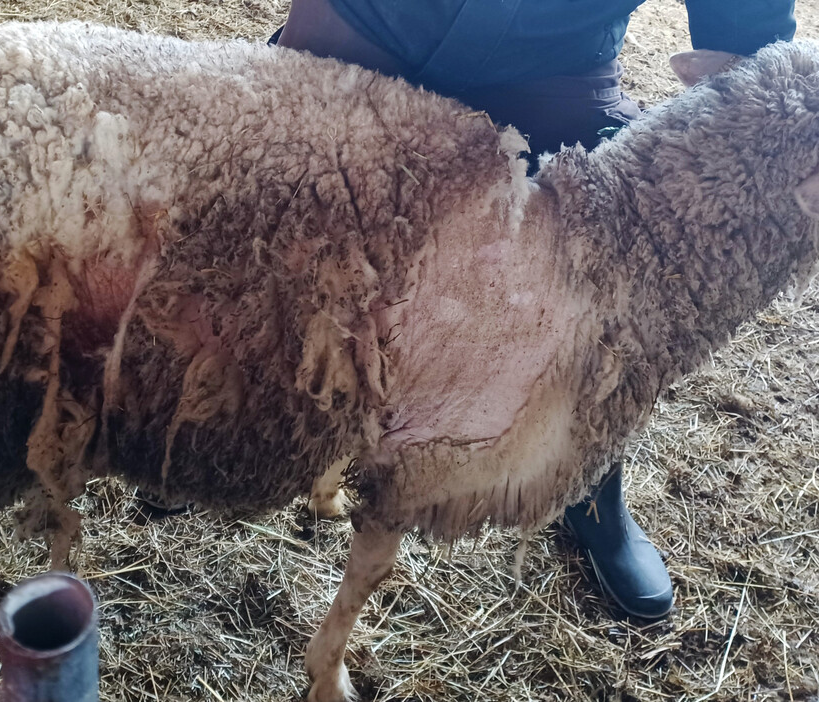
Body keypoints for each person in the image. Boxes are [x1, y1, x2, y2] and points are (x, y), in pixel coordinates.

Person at [273, 0, 796, 620]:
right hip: (371, 24)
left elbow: (755, 50)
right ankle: (202, 413)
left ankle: (586, 482)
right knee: (273, 221)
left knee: (619, 262)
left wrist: (760, 67)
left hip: (557, 66)